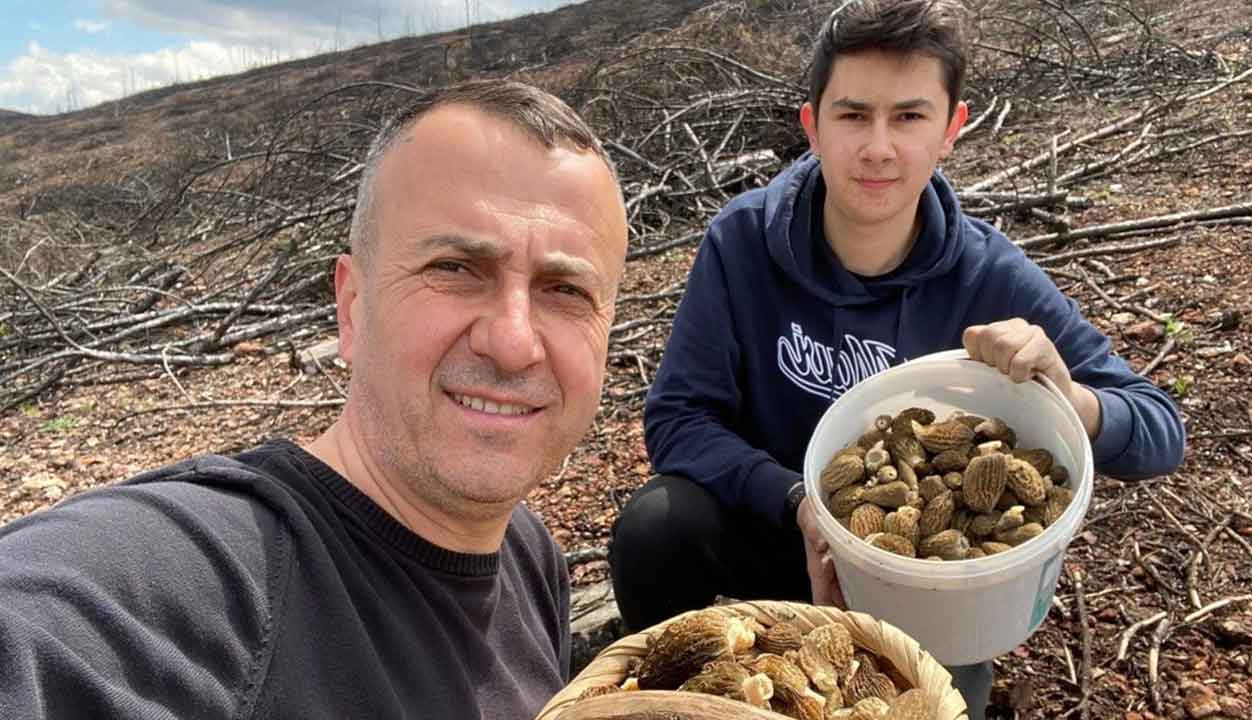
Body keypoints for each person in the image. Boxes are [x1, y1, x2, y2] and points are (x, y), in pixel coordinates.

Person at [607, 1, 1185, 717]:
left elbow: (1161, 429)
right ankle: (664, 695)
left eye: (909, 118)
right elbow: (676, 418)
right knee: (657, 527)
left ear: (952, 129)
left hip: (920, 570)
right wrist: (800, 503)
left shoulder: (988, 276)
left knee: (945, 701)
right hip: (777, 528)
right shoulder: (743, 243)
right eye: (853, 116)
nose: (878, 147)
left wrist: (1073, 393)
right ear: (812, 125)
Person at [0, 79, 628, 719]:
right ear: (352, 307)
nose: (514, 341)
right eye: (455, 269)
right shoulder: (206, 578)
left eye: (565, 290)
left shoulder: (526, 557)